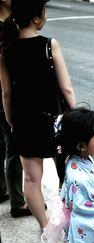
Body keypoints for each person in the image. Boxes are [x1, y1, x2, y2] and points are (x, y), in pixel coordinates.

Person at [0, 0, 76, 231]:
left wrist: (11, 119)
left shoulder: (5, 49)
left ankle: (45, 227)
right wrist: (76, 113)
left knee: (32, 180)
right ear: (36, 18)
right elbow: (66, 88)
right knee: (67, 173)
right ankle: (70, 222)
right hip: (54, 121)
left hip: (24, 121)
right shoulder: (49, 45)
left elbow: (6, 92)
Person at [43, 107, 94, 243]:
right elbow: (91, 218)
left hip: (85, 239)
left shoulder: (79, 160)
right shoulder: (79, 178)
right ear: (81, 146)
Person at [0, 0, 30, 218]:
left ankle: (4, 189)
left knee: (4, 144)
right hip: (5, 96)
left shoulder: (13, 20)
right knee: (14, 149)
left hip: (6, 93)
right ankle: (18, 203)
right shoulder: (6, 26)